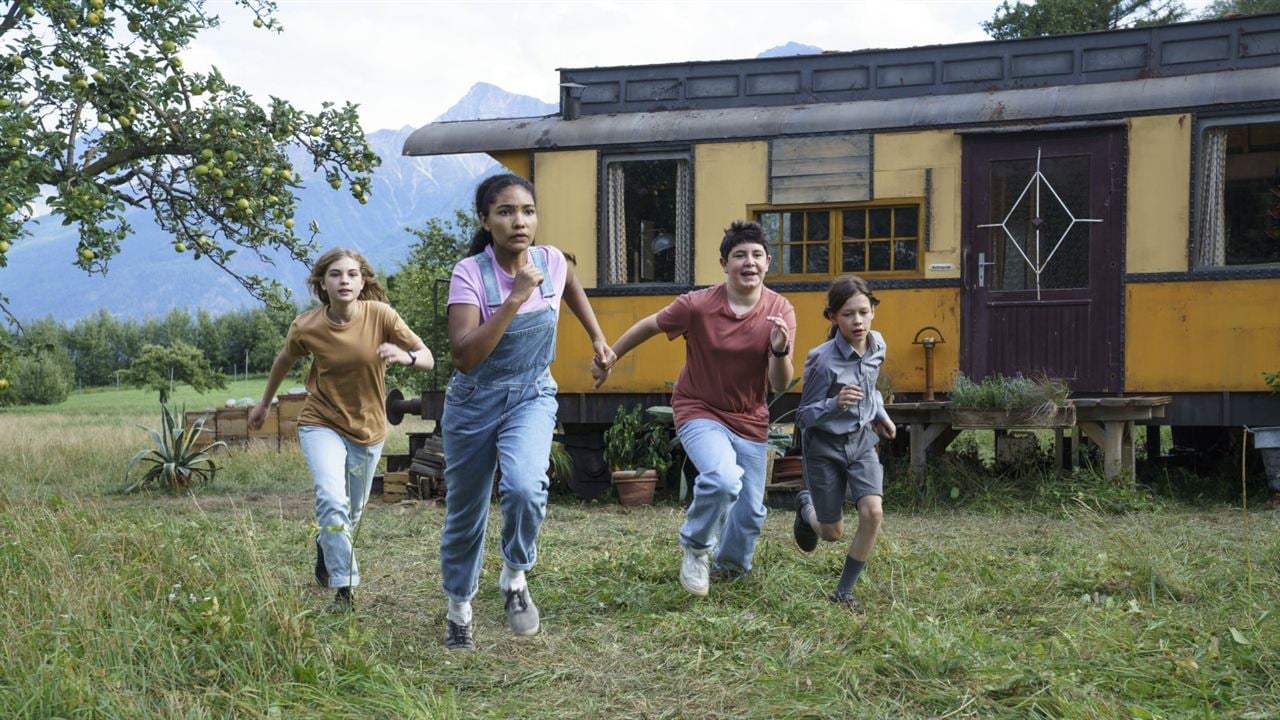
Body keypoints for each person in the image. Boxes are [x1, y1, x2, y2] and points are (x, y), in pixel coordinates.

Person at [440, 173, 614, 650]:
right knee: (467, 513)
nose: (519, 221)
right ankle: (459, 608)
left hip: (532, 395)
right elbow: (464, 355)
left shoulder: (551, 260)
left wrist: (598, 338)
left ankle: (515, 577)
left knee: (524, 487)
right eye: (506, 212)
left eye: (527, 211)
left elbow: (571, 286)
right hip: (475, 402)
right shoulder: (470, 274)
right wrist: (515, 298)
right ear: (485, 220)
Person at [593, 220, 795, 596]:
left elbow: (781, 383)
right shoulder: (699, 305)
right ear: (724, 263)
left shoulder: (779, 310)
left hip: (750, 418)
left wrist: (781, 348)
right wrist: (610, 357)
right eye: (739, 256)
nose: (748, 262)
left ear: (768, 262)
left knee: (750, 512)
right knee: (721, 478)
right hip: (699, 407)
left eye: (756, 255)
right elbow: (649, 325)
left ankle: (731, 569)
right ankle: (697, 547)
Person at [249, 248, 432, 612]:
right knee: (332, 500)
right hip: (321, 421)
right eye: (335, 274)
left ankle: (325, 544)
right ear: (322, 283)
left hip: (369, 428)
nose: (344, 280)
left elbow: (427, 357)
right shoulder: (307, 325)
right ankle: (344, 590)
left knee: (353, 513)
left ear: (363, 282)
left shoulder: (381, 315)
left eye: (351, 274)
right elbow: (283, 360)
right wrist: (264, 403)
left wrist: (405, 356)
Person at [793, 275, 896, 610]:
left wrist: (880, 416)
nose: (858, 321)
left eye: (864, 312)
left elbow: (871, 388)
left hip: (862, 441)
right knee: (830, 532)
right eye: (849, 314)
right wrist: (834, 404)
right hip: (824, 447)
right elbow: (803, 416)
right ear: (833, 318)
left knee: (873, 512)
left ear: (873, 312)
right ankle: (805, 506)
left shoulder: (878, 345)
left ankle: (843, 592)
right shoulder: (821, 360)